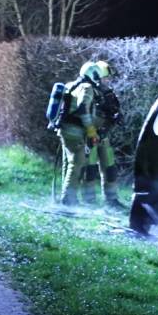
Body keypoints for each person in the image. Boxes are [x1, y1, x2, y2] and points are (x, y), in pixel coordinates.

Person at [57, 61, 118, 207]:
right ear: (93, 75)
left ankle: (66, 197)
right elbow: (83, 108)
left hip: (64, 130)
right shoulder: (87, 87)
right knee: (76, 164)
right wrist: (91, 131)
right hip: (75, 131)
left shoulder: (72, 85)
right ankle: (68, 200)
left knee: (68, 164)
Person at [79, 61, 123, 208]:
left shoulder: (107, 93)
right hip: (90, 135)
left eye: (107, 78)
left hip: (104, 135)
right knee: (90, 169)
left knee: (110, 168)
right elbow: (84, 113)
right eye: (105, 78)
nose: (107, 81)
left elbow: (114, 111)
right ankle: (89, 200)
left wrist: (115, 117)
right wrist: (92, 132)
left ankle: (112, 200)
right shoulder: (88, 91)